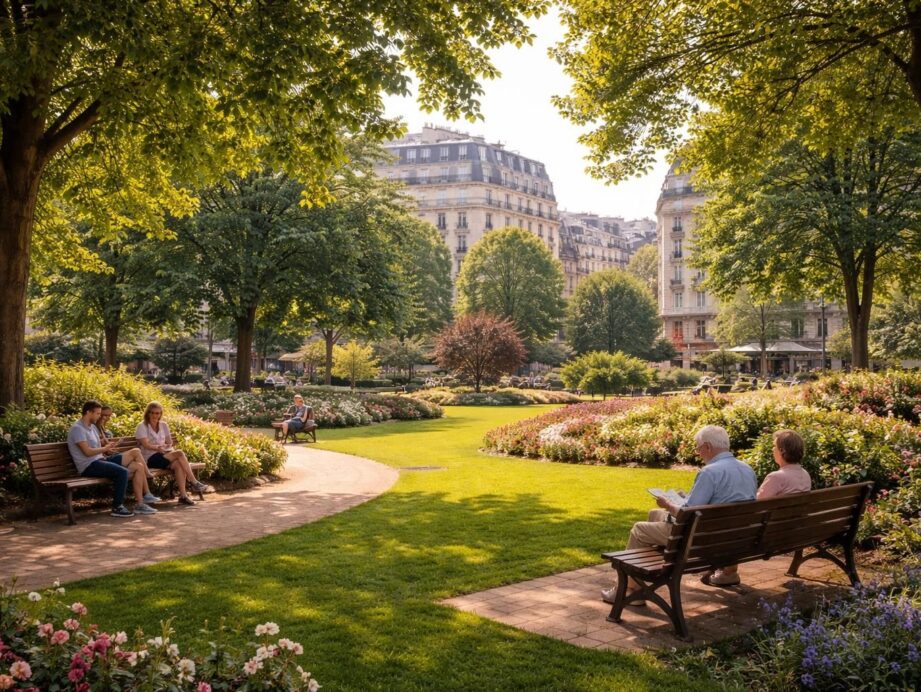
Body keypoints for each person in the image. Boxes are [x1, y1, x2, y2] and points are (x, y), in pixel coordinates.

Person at [601, 425, 757, 604]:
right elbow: (715, 501)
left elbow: (687, 514)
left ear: (707, 447)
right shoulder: (747, 469)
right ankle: (644, 573)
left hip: (698, 540)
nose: (698, 453)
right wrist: (685, 498)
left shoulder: (710, 472)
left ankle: (631, 591)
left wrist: (668, 504)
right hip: (732, 538)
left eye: (698, 448)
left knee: (639, 530)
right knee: (654, 514)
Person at [703, 429, 812, 586]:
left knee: (730, 522)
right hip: (792, 532)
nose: (772, 449)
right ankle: (725, 569)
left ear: (782, 451)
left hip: (766, 537)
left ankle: (728, 572)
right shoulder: (804, 474)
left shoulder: (776, 477)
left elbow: (754, 506)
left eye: (774, 446)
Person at [68, 400, 160, 517]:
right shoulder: (78, 429)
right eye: (97, 413)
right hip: (88, 465)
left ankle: (140, 505)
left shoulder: (92, 428)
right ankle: (117, 506)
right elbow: (87, 452)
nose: (99, 416)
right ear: (88, 412)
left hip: (100, 460)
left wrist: (107, 447)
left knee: (138, 465)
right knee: (122, 472)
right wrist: (104, 448)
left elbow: (96, 447)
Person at [136, 402, 214, 506]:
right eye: (153, 413)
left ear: (161, 414)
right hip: (150, 457)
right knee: (180, 453)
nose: (155, 415)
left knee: (178, 465)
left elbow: (169, 442)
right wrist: (157, 447)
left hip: (165, 454)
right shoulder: (142, 426)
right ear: (148, 413)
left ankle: (183, 496)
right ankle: (194, 482)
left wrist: (166, 446)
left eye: (158, 413)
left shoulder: (163, 425)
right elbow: (145, 445)